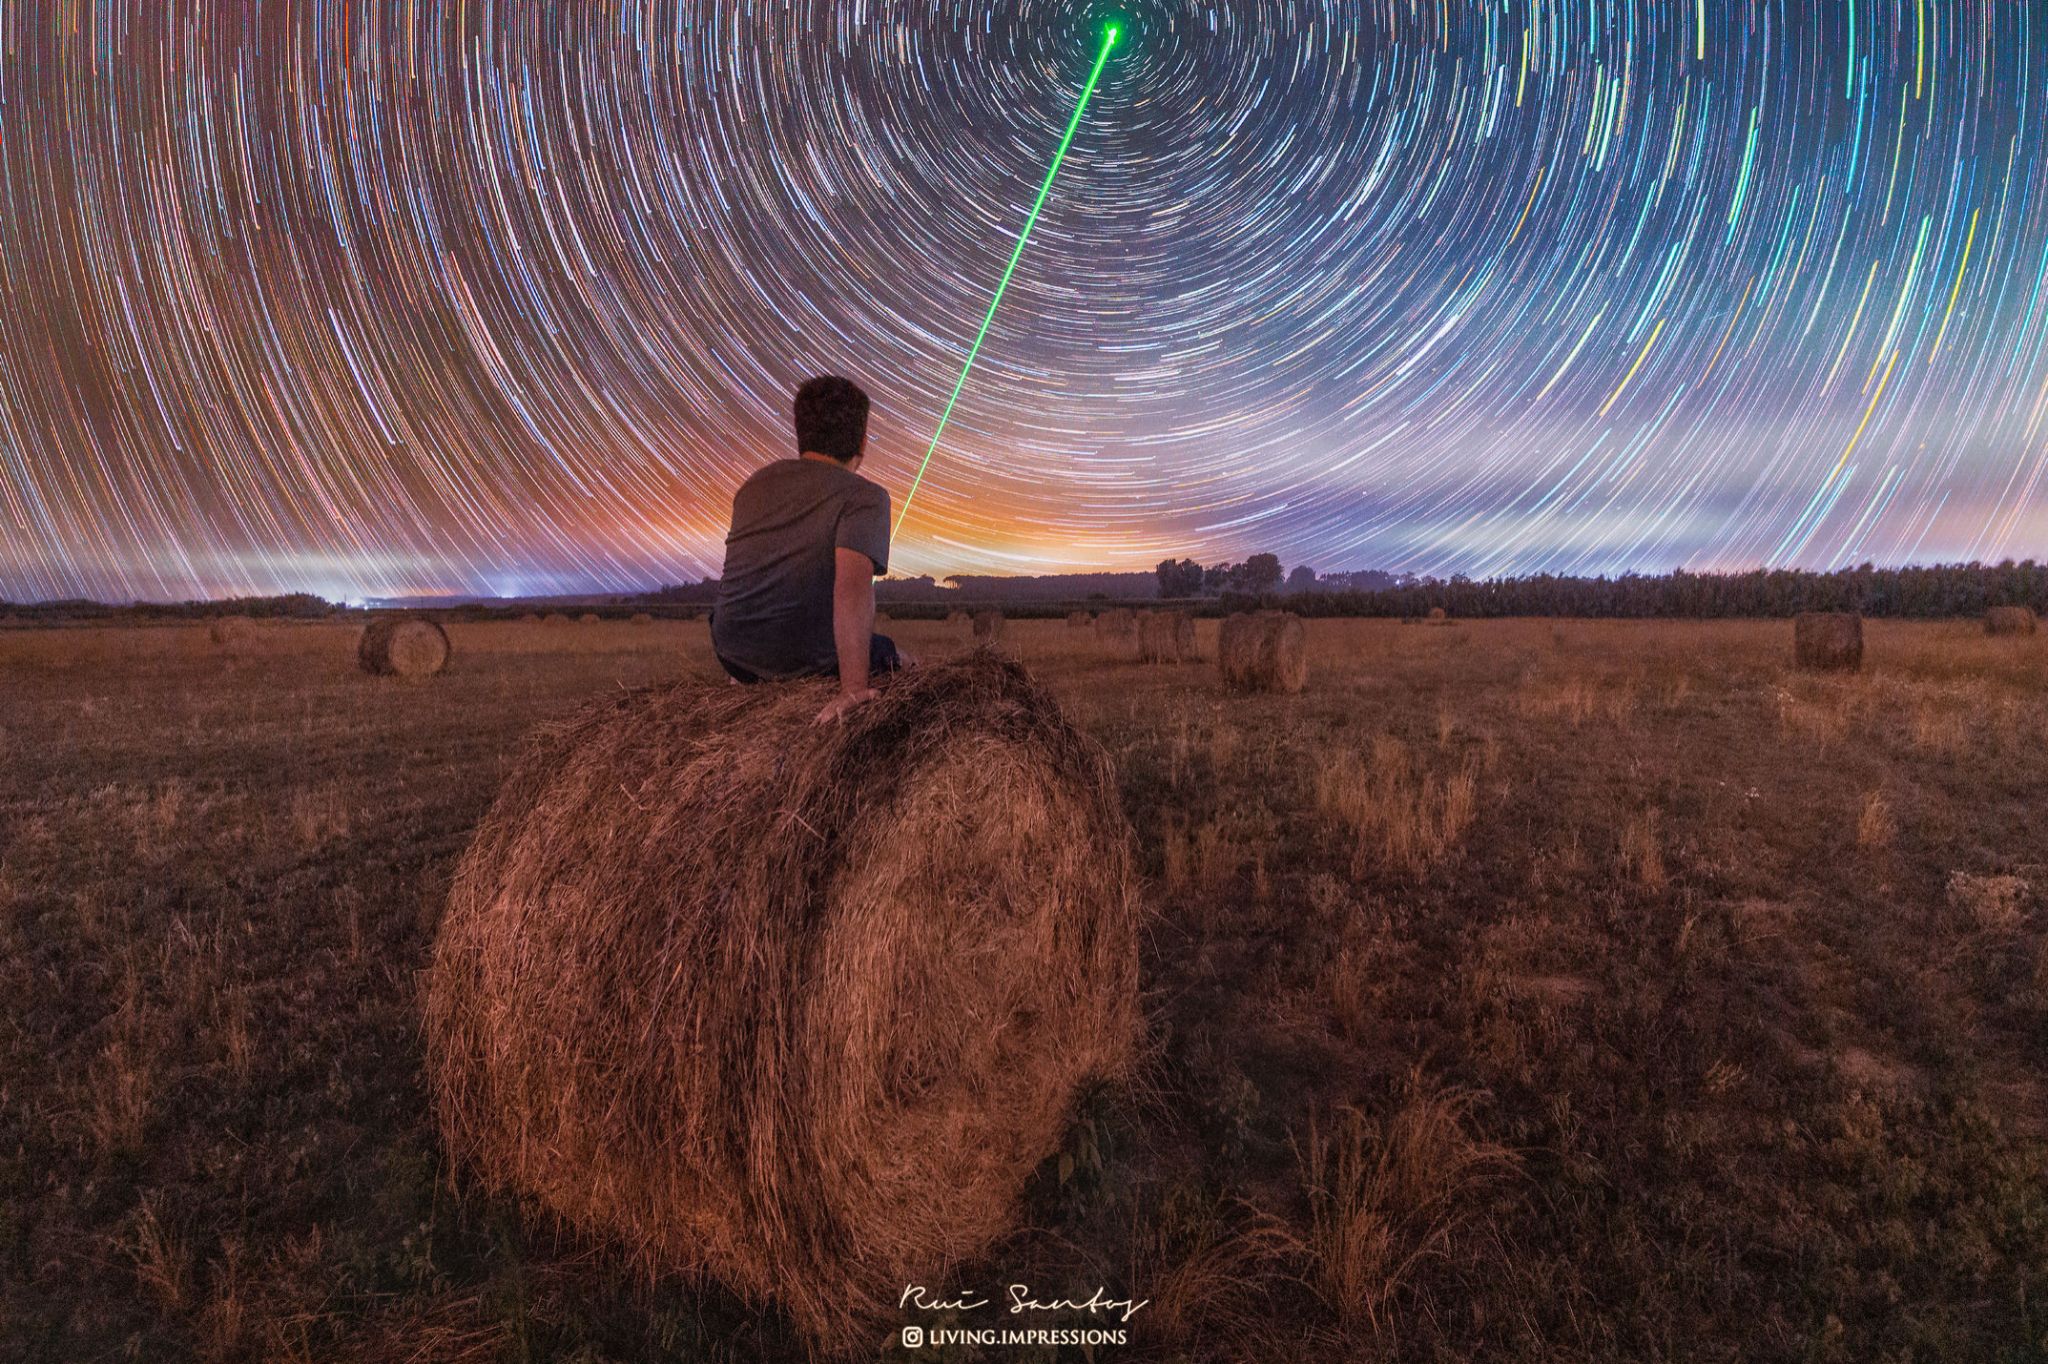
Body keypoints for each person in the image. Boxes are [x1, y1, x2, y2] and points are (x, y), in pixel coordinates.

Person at [712, 375, 911, 724]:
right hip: (803, 656)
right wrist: (852, 689)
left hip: (732, 650)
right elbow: (853, 589)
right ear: (862, 443)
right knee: (905, 666)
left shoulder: (753, 486)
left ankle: (747, 679)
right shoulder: (864, 497)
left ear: (800, 433)